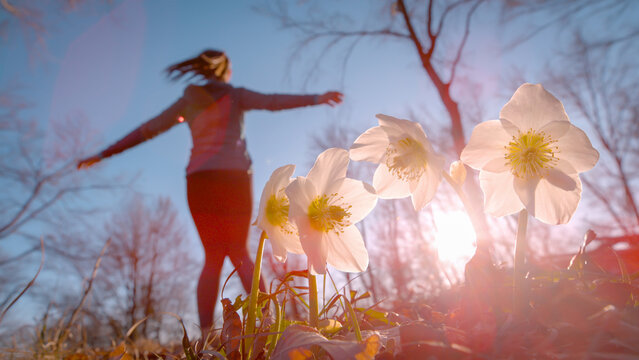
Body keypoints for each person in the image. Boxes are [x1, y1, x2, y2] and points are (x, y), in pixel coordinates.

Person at [77, 49, 343, 333]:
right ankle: (267, 324)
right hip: (235, 176)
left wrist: (104, 153)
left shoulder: (187, 100)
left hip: (200, 179)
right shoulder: (235, 93)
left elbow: (147, 130)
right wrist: (317, 98)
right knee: (239, 251)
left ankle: (206, 336)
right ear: (226, 71)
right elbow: (273, 102)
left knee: (213, 256)